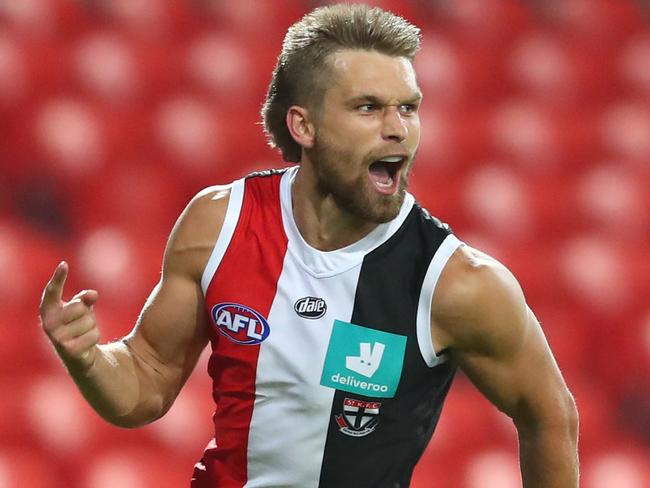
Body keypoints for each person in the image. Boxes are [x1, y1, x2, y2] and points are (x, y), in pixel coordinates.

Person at [39, 4, 579, 487]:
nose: (399, 131)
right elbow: (147, 379)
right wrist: (89, 360)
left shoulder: (456, 283)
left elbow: (549, 414)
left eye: (408, 108)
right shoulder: (219, 224)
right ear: (304, 125)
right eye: (368, 108)